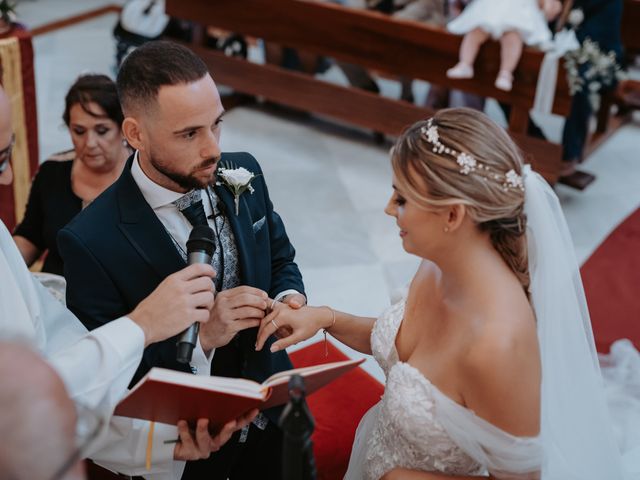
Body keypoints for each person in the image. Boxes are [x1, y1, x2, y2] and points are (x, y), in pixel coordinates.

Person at [256, 107, 640, 478]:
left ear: (453, 216)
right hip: (375, 452)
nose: (389, 209)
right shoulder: (440, 262)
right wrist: (327, 317)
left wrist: (402, 478)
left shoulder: (497, 346)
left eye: (402, 199)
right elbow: (404, 348)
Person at [58, 40, 305, 480]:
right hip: (190, 451)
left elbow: (280, 255)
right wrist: (204, 338)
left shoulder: (244, 171)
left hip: (277, 415)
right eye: (190, 133)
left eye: (216, 124)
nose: (212, 148)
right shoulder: (89, 240)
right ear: (135, 134)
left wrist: (289, 298)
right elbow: (110, 380)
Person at [0, 84, 256, 477]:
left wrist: (160, 440)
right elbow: (23, 407)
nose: (7, 178)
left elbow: (53, 351)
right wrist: (144, 324)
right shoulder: (88, 231)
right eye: (0, 159)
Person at [13, 74, 131, 275]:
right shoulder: (53, 171)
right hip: (56, 295)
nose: (90, 143)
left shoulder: (143, 175)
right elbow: (30, 236)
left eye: (102, 131)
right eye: (79, 131)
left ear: (123, 129)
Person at [446, 0, 562, 91]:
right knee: (476, 31)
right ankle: (465, 63)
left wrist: (547, 4)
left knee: (512, 37)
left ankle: (506, 73)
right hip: (491, 11)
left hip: (518, 15)